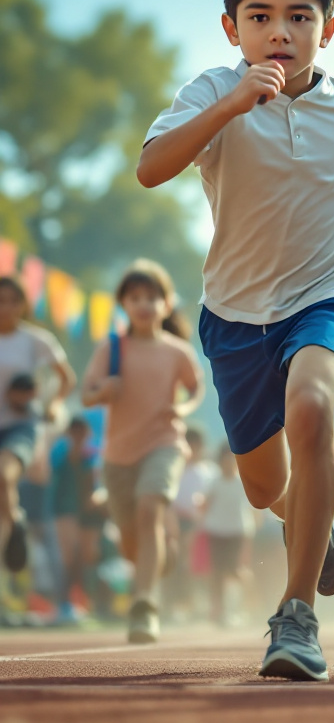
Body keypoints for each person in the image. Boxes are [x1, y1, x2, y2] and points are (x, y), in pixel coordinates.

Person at [137, 0, 334, 682]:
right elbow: (149, 168)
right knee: (267, 488)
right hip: (235, 312)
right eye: (260, 16)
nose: (280, 32)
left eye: (299, 17)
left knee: (312, 403)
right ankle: (310, 520)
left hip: (329, 291)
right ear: (232, 28)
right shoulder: (211, 90)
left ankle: (296, 617)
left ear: (326, 29)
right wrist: (231, 106)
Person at [82, 260, 204, 643]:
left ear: (167, 304)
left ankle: (144, 605)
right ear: (123, 304)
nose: (144, 304)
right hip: (118, 455)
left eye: (152, 297)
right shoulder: (111, 348)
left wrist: (181, 409)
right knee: (130, 540)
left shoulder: (177, 351)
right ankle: (157, 558)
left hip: (164, 444)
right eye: (135, 298)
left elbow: (196, 388)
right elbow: (86, 395)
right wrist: (104, 392)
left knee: (150, 507)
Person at [0, 275, 75, 578]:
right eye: (0, 301)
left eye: (12, 300)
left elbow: (66, 378)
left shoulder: (35, 340)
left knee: (3, 477)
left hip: (22, 426)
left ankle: (16, 522)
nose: (5, 307)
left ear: (23, 304)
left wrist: (53, 404)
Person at [49, 415, 103, 622]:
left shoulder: (92, 454)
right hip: (64, 509)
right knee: (69, 555)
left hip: (86, 512)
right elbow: (55, 470)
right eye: (76, 431)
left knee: (85, 556)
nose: (80, 435)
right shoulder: (60, 450)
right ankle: (64, 604)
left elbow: (93, 483)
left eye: (83, 431)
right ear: (70, 432)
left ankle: (81, 602)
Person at [168, 425, 217, 618]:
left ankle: (197, 604)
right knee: (174, 565)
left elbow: (209, 502)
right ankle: (174, 604)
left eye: (197, 445)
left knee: (197, 568)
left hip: (200, 527)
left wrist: (197, 526)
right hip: (174, 523)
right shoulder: (173, 469)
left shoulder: (209, 472)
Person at [204, 445, 256, 625]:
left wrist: (252, 528)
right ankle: (219, 610)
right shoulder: (214, 482)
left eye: (231, 460)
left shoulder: (243, 482)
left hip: (237, 532)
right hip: (217, 531)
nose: (228, 463)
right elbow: (206, 504)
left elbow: (253, 508)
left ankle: (242, 607)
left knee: (235, 570)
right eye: (224, 460)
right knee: (218, 572)